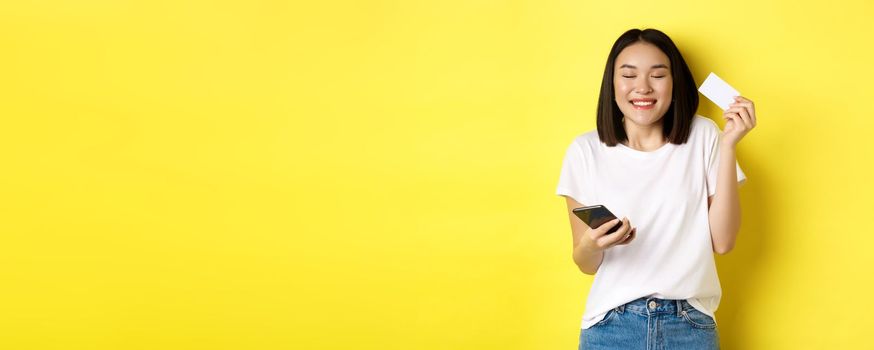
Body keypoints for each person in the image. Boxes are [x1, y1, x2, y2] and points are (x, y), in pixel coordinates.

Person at [555, 28, 756, 350]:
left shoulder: (705, 136)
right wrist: (593, 244)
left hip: (690, 325)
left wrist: (729, 144)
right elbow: (585, 263)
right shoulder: (584, 150)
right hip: (610, 327)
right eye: (629, 75)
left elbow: (724, 241)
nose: (643, 88)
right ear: (612, 85)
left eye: (658, 75)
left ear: (674, 84)